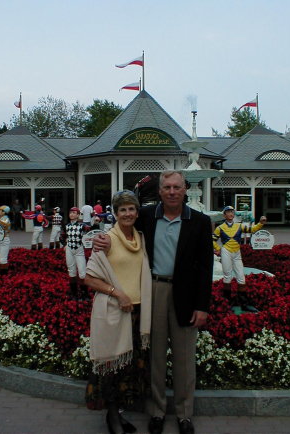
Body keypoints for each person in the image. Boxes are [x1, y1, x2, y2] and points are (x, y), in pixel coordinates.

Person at [94, 170, 213, 434]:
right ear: (159, 191)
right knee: (155, 356)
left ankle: (184, 415)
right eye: (167, 187)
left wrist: (202, 306)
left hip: (186, 295)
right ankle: (157, 412)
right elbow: (121, 230)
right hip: (153, 291)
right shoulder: (146, 216)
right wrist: (100, 237)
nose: (172, 192)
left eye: (177, 187)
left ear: (185, 189)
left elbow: (206, 267)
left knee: (184, 359)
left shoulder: (201, 221)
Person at [85, 190, 152, 434]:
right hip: (115, 311)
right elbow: (90, 279)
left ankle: (119, 414)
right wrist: (118, 293)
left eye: (131, 209)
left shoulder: (140, 237)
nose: (127, 213)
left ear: (137, 212)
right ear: (115, 213)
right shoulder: (107, 239)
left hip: (137, 313)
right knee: (113, 365)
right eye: (122, 209)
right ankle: (112, 416)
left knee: (128, 368)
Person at [213, 206, 267, 312]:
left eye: (232, 212)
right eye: (228, 212)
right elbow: (212, 240)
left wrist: (261, 223)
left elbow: (252, 229)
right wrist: (218, 249)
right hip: (226, 252)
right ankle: (227, 304)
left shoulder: (239, 226)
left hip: (237, 253)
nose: (231, 214)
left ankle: (244, 304)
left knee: (241, 278)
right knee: (227, 277)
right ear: (224, 215)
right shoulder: (219, 228)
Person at [59, 207, 90, 300]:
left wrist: (96, 221)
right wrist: (64, 244)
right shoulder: (66, 226)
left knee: (82, 273)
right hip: (69, 249)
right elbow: (62, 236)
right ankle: (74, 293)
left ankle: (85, 293)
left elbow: (90, 231)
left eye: (74, 213)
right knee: (71, 271)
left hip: (79, 250)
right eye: (70, 213)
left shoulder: (82, 226)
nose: (71, 214)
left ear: (77, 215)